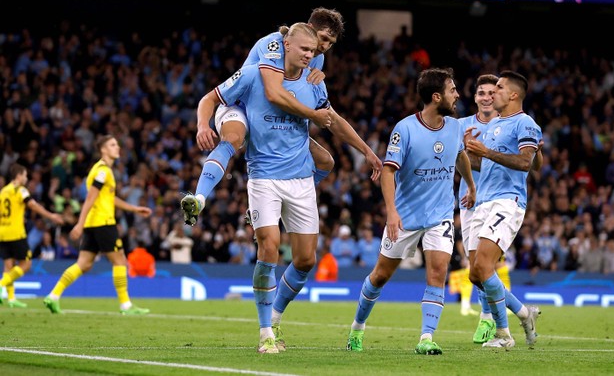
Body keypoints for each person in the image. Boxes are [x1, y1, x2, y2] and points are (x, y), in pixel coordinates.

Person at [199, 23, 381, 354]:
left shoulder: (315, 80)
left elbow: (333, 120)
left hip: (298, 180)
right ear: (288, 43)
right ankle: (265, 330)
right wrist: (312, 114)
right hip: (262, 169)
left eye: (318, 50)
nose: (317, 53)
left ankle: (277, 315)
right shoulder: (261, 67)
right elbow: (263, 94)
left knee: (306, 258)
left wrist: (367, 151)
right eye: (311, 47)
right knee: (269, 248)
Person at [346, 67, 476, 355]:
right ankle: (357, 328)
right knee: (380, 275)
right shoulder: (404, 129)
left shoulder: (454, 127)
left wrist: (470, 185)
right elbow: (388, 172)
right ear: (436, 96)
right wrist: (391, 213)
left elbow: (460, 155)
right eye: (452, 90)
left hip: (440, 214)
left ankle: (426, 338)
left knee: (438, 271)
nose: (457, 95)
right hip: (405, 216)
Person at [181, 7, 345, 226]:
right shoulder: (274, 44)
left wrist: (367, 152)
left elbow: (322, 110)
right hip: (242, 107)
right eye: (323, 38)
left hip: (272, 119)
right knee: (233, 138)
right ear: (310, 29)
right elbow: (272, 93)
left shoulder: (316, 58)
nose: (324, 47)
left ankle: (273, 205)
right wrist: (203, 125)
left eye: (330, 43)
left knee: (325, 161)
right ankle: (199, 198)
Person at [464, 70, 543, 349]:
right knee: (475, 273)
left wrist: (486, 153)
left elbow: (525, 163)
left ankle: (503, 335)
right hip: (483, 202)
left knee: (485, 266)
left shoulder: (526, 123)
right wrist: (470, 153)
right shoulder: (494, 124)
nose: (492, 92)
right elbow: (484, 165)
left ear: (513, 94)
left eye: (498, 87)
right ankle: (524, 313)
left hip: (507, 201)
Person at [43, 135, 153, 315]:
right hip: (103, 223)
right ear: (103, 149)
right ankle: (126, 305)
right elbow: (91, 197)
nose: (117, 147)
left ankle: (53, 296)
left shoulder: (99, 169)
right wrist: (79, 223)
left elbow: (109, 197)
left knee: (84, 264)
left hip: (93, 224)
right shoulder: (103, 171)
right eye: (112, 145)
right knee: (119, 261)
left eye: (117, 144)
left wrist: (134, 209)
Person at [0, 163, 64, 308]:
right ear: (18, 176)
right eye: (25, 175)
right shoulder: (20, 190)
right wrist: (51, 216)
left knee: (8, 265)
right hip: (16, 233)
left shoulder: (3, 191)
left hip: (2, 232)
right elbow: (33, 205)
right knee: (26, 264)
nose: (26, 178)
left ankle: (11, 299)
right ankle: (1, 284)